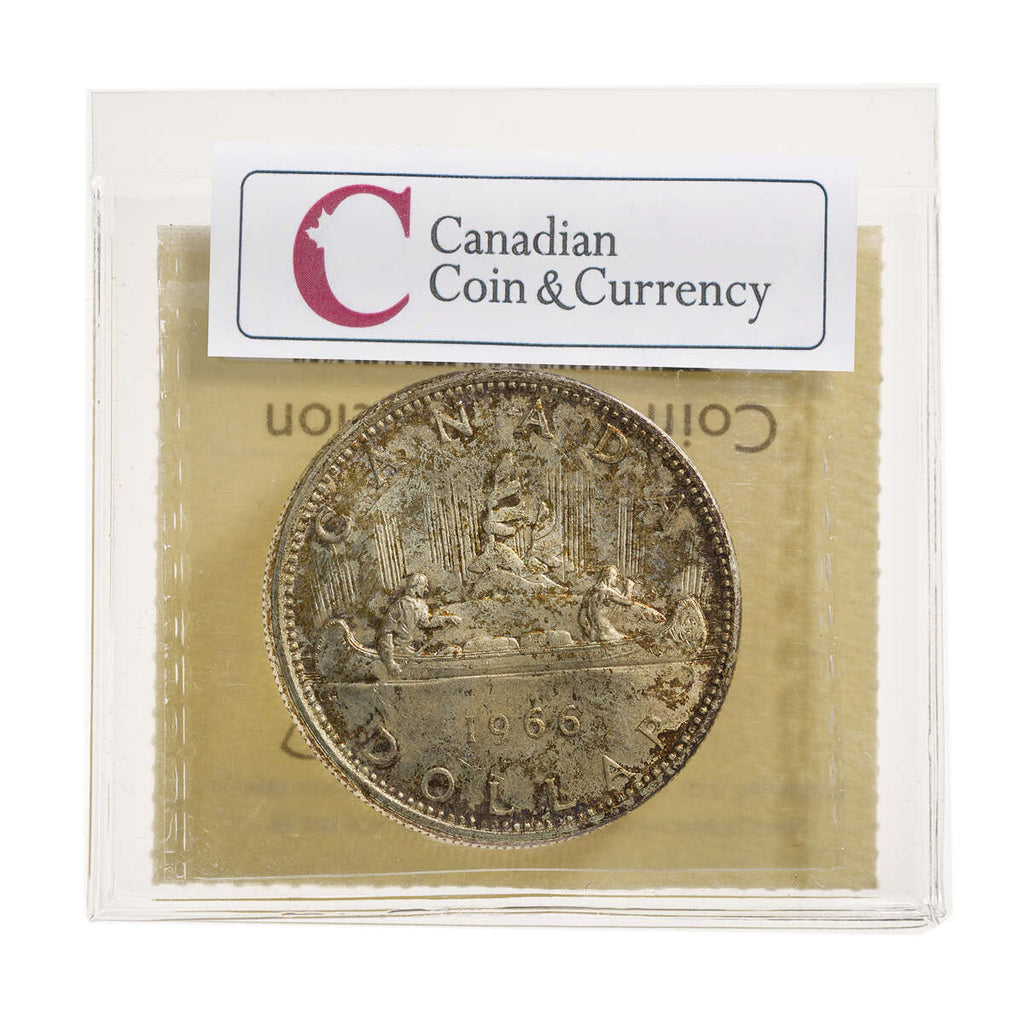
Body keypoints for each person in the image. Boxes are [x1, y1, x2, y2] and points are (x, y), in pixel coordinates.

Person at [375, 573, 459, 675]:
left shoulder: (420, 605)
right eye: (424, 586)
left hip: (411, 648)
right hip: (397, 650)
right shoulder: (399, 606)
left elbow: (427, 623)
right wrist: (390, 663)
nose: (426, 590)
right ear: (415, 586)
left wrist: (447, 619)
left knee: (450, 650)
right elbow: (385, 633)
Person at [578, 565, 636, 642]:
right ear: (608, 577)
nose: (617, 579)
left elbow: (582, 618)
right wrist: (629, 588)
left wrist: (589, 632)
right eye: (615, 576)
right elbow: (629, 602)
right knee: (629, 639)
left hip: (593, 633)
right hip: (606, 632)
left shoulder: (590, 591)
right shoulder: (606, 592)